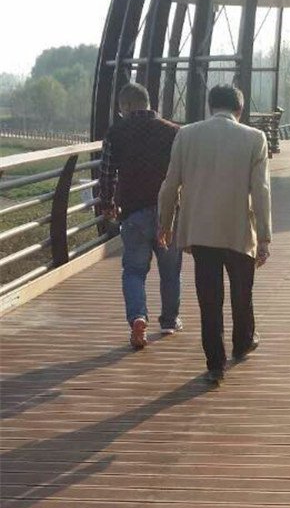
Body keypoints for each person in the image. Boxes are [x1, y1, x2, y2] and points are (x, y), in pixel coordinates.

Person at [158, 83, 272, 385]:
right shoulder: (255, 138)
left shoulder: (186, 135)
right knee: (242, 293)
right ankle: (243, 342)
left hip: (201, 231)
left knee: (209, 299)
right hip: (239, 230)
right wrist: (264, 237)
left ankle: (215, 364)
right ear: (240, 109)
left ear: (210, 106)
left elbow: (170, 185)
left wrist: (166, 224)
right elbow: (261, 192)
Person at [99, 82, 183, 350]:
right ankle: (169, 321)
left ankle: (137, 317)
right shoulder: (173, 131)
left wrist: (107, 203)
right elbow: (184, 172)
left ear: (125, 105)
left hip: (133, 212)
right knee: (170, 270)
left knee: (134, 271)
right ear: (148, 102)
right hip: (168, 213)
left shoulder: (116, 132)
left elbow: (107, 172)